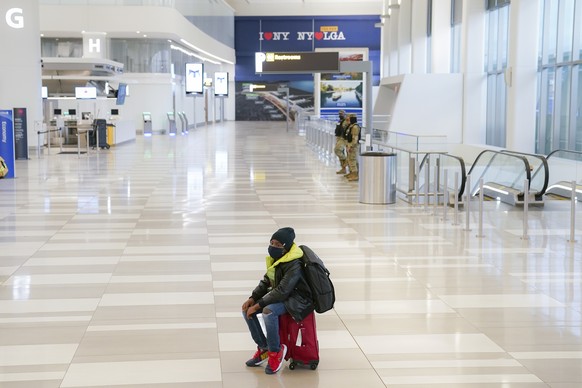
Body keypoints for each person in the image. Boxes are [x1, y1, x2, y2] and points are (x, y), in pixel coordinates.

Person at [242, 227, 314, 374]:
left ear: (286, 247)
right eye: (272, 243)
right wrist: (252, 298)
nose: (273, 247)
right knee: (246, 310)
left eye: (278, 245)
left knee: (269, 311)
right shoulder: (278, 258)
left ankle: (276, 352)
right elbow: (267, 281)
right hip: (284, 295)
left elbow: (282, 291)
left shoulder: (294, 264)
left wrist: (257, 306)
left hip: (297, 299)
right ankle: (264, 348)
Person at [344, 114, 361, 181]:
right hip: (350, 144)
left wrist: (351, 146)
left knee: (352, 159)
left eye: (349, 118)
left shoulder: (355, 127)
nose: (348, 120)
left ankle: (355, 175)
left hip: (353, 146)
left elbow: (355, 138)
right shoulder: (351, 126)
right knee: (350, 159)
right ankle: (352, 172)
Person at [333, 110, 349, 174]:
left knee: (337, 150)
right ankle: (343, 168)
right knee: (340, 153)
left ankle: (346, 161)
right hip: (339, 137)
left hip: (343, 139)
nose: (340, 115)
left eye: (342, 114)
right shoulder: (340, 121)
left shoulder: (346, 121)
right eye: (339, 114)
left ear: (345, 114)